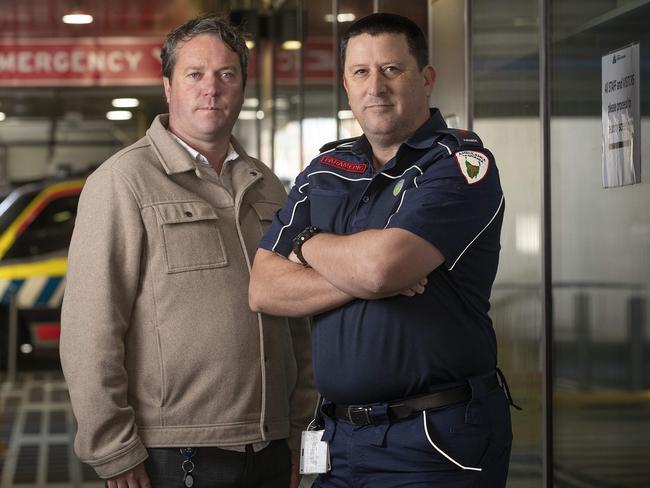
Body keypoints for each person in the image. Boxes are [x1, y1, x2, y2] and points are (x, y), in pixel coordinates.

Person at [249, 12, 515, 488]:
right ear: (346, 85)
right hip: (339, 439)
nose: (376, 86)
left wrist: (306, 245)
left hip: (434, 440)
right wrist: (367, 275)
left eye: (392, 69)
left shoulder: (459, 164)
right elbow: (264, 287)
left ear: (426, 78)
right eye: (360, 72)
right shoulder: (324, 170)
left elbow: (379, 268)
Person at [60, 15, 314, 488]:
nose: (211, 89)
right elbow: (89, 328)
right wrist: (113, 448)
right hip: (176, 453)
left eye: (226, 74)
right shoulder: (122, 182)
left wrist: (302, 429)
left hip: (272, 446)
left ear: (241, 87)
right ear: (168, 85)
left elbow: (299, 320)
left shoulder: (269, 187)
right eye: (195, 74)